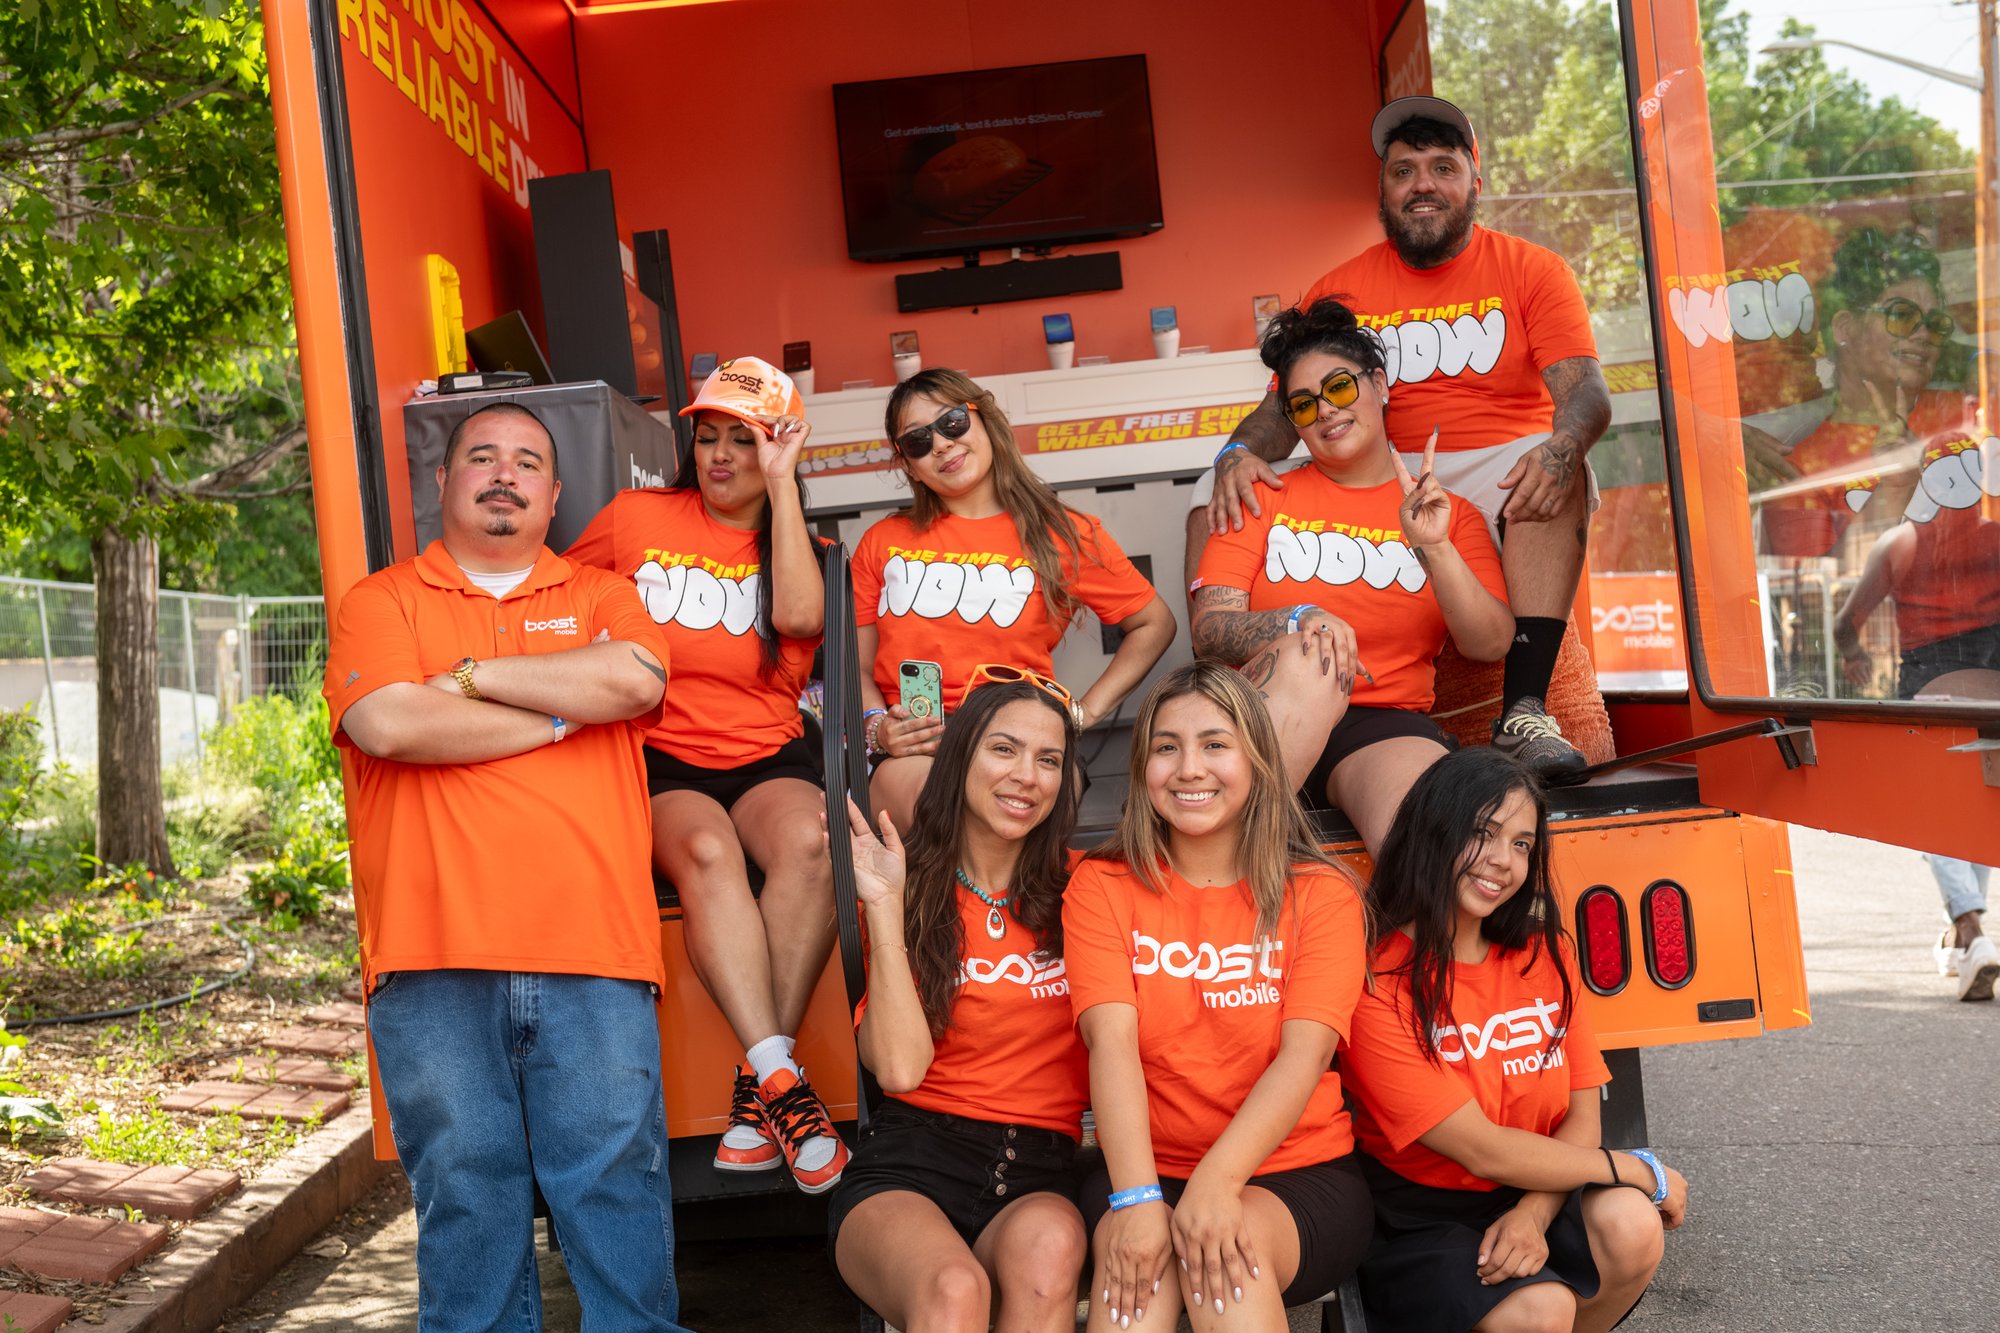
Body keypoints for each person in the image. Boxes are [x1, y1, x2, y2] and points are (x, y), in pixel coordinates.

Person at [324, 401, 692, 1332]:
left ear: (554, 493)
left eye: (527, 461)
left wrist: (471, 674)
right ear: (442, 482)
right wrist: (564, 711)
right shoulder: (383, 600)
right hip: (433, 956)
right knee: (467, 1203)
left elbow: (635, 679)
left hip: (595, 952)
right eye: (480, 456)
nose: (504, 473)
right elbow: (391, 723)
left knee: (616, 1198)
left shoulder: (602, 593)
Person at [1188, 95, 1613, 777]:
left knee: (1560, 468)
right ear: (1383, 191)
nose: (1422, 184)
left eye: (1442, 167)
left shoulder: (1533, 269)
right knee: (1205, 497)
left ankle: (1525, 707)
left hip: (1495, 466)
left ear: (1476, 180)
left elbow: (1586, 394)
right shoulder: (1344, 286)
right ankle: (1211, 700)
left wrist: (1563, 449)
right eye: (1403, 170)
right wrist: (1234, 455)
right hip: (1380, 468)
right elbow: (1280, 411)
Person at [567, 356, 847, 1192]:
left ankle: (757, 1092)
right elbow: (559, 597)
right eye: (709, 436)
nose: (722, 455)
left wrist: (784, 487)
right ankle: (785, 1085)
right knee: (711, 853)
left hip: (766, 750)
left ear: (778, 447)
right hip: (659, 754)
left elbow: (799, 618)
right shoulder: (634, 517)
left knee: (813, 839)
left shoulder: (804, 544)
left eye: (744, 439)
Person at [1064, 661, 1374, 1332]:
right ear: (1142, 767)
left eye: (1214, 744)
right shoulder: (1102, 885)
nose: (1188, 768)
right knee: (1137, 1295)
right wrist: (1142, 1199)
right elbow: (1110, 1045)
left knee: (1229, 1258)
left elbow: (1303, 1058)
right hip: (1144, 1168)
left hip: (1296, 1172)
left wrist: (1215, 1185)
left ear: (1257, 759)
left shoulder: (1321, 894)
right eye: (1166, 747)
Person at [1342, 747, 1686, 1333]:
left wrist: (1534, 1210)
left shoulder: (1545, 955)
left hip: (1535, 1186)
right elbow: (1481, 1149)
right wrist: (1634, 1169)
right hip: (1422, 1216)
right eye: (1484, 833)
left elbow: (1582, 1115)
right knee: (1540, 1308)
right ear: (1433, 832)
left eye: (1522, 844)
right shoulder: (1377, 984)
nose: (1503, 861)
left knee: (1632, 1227)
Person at [1192, 297, 1512, 853]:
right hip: (1262, 716)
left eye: (1339, 388)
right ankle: (1232, 875)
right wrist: (1297, 620)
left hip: (1382, 724)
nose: (1327, 412)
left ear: (1380, 384)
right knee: (1303, 654)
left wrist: (1435, 549)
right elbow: (1210, 630)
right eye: (1304, 405)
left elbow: (1489, 643)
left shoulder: (1450, 514)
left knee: (1428, 845)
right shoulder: (1257, 498)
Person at [828, 678, 1091, 1332]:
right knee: (954, 1291)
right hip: (913, 1161)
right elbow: (897, 1070)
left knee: (1051, 1252)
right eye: (1004, 748)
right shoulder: (903, 882)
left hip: (1038, 1170)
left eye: (1049, 759)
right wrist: (885, 909)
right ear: (961, 757)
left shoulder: (1088, 890)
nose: (1025, 775)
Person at [856, 367, 1177, 830]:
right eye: (918, 441)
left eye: (951, 422)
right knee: (946, 814)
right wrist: (877, 729)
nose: (941, 444)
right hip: (921, 746)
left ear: (983, 418)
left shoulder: (1063, 532)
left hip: (1025, 734)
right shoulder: (880, 541)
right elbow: (859, 670)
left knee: (1019, 828)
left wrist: (1081, 715)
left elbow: (1154, 623)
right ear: (908, 465)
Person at [1833, 503, 2000, 1000]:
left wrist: (1853, 657)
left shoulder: (1898, 543)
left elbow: (1846, 623)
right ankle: (1960, 939)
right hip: (1992, 693)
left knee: (1934, 815)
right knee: (1977, 806)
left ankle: (1969, 928)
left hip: (1929, 697)